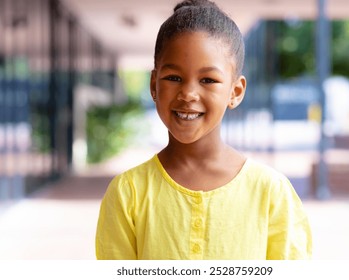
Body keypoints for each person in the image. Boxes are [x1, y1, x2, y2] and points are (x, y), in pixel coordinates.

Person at [95, 0, 312, 260]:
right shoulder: (128, 192)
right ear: (154, 85)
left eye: (208, 80)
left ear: (236, 91)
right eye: (174, 78)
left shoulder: (271, 192)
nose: (188, 94)